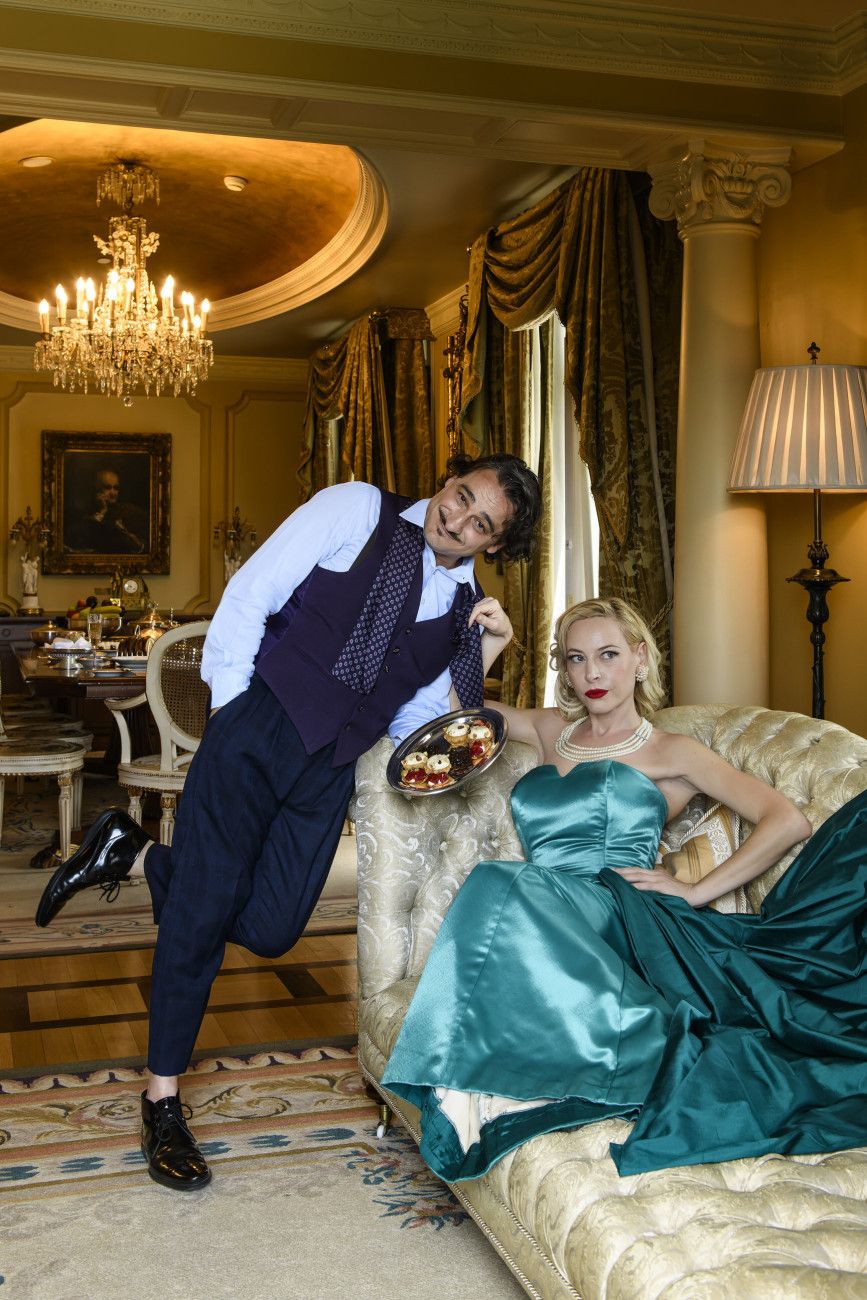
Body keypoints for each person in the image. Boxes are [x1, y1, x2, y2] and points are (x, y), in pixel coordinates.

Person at [35, 452, 542, 1191]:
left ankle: (132, 852)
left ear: (495, 544)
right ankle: (162, 1100)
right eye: (460, 495)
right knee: (201, 917)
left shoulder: (466, 610)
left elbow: (419, 723)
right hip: (257, 725)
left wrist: (487, 649)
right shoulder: (357, 507)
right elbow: (252, 592)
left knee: (272, 926)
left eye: (480, 523)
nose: (457, 518)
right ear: (447, 480)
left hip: (328, 770)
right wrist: (232, 710)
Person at [381, 596, 867, 1180]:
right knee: (507, 887)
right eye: (576, 658)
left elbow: (786, 820)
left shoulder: (671, 750)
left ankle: (466, 1083)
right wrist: (495, 643)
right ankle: (482, 1083)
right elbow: (456, 717)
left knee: (494, 880)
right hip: (543, 903)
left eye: (608, 655)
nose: (592, 672)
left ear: (639, 658)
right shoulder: (550, 729)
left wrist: (696, 891)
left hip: (617, 910)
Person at [67, 467, 148, 553]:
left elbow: (146, 544)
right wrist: (102, 512)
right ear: (96, 489)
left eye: (116, 488)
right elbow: (75, 540)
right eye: (107, 487)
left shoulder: (130, 510)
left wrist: (139, 545)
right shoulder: (82, 513)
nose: (113, 493)